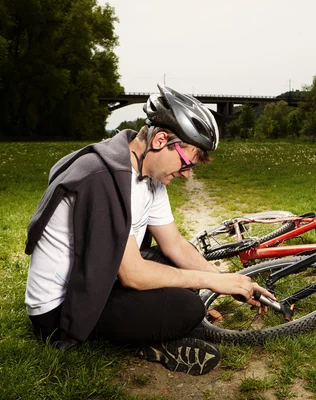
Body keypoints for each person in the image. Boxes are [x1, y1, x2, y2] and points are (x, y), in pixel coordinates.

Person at [24, 85, 274, 376]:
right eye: (186, 162)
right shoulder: (105, 177)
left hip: (94, 277)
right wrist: (208, 282)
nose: (187, 173)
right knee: (188, 308)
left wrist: (226, 281)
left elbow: (175, 246)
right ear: (159, 140)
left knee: (183, 261)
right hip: (60, 310)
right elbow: (133, 275)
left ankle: (151, 328)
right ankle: (152, 343)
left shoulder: (146, 175)